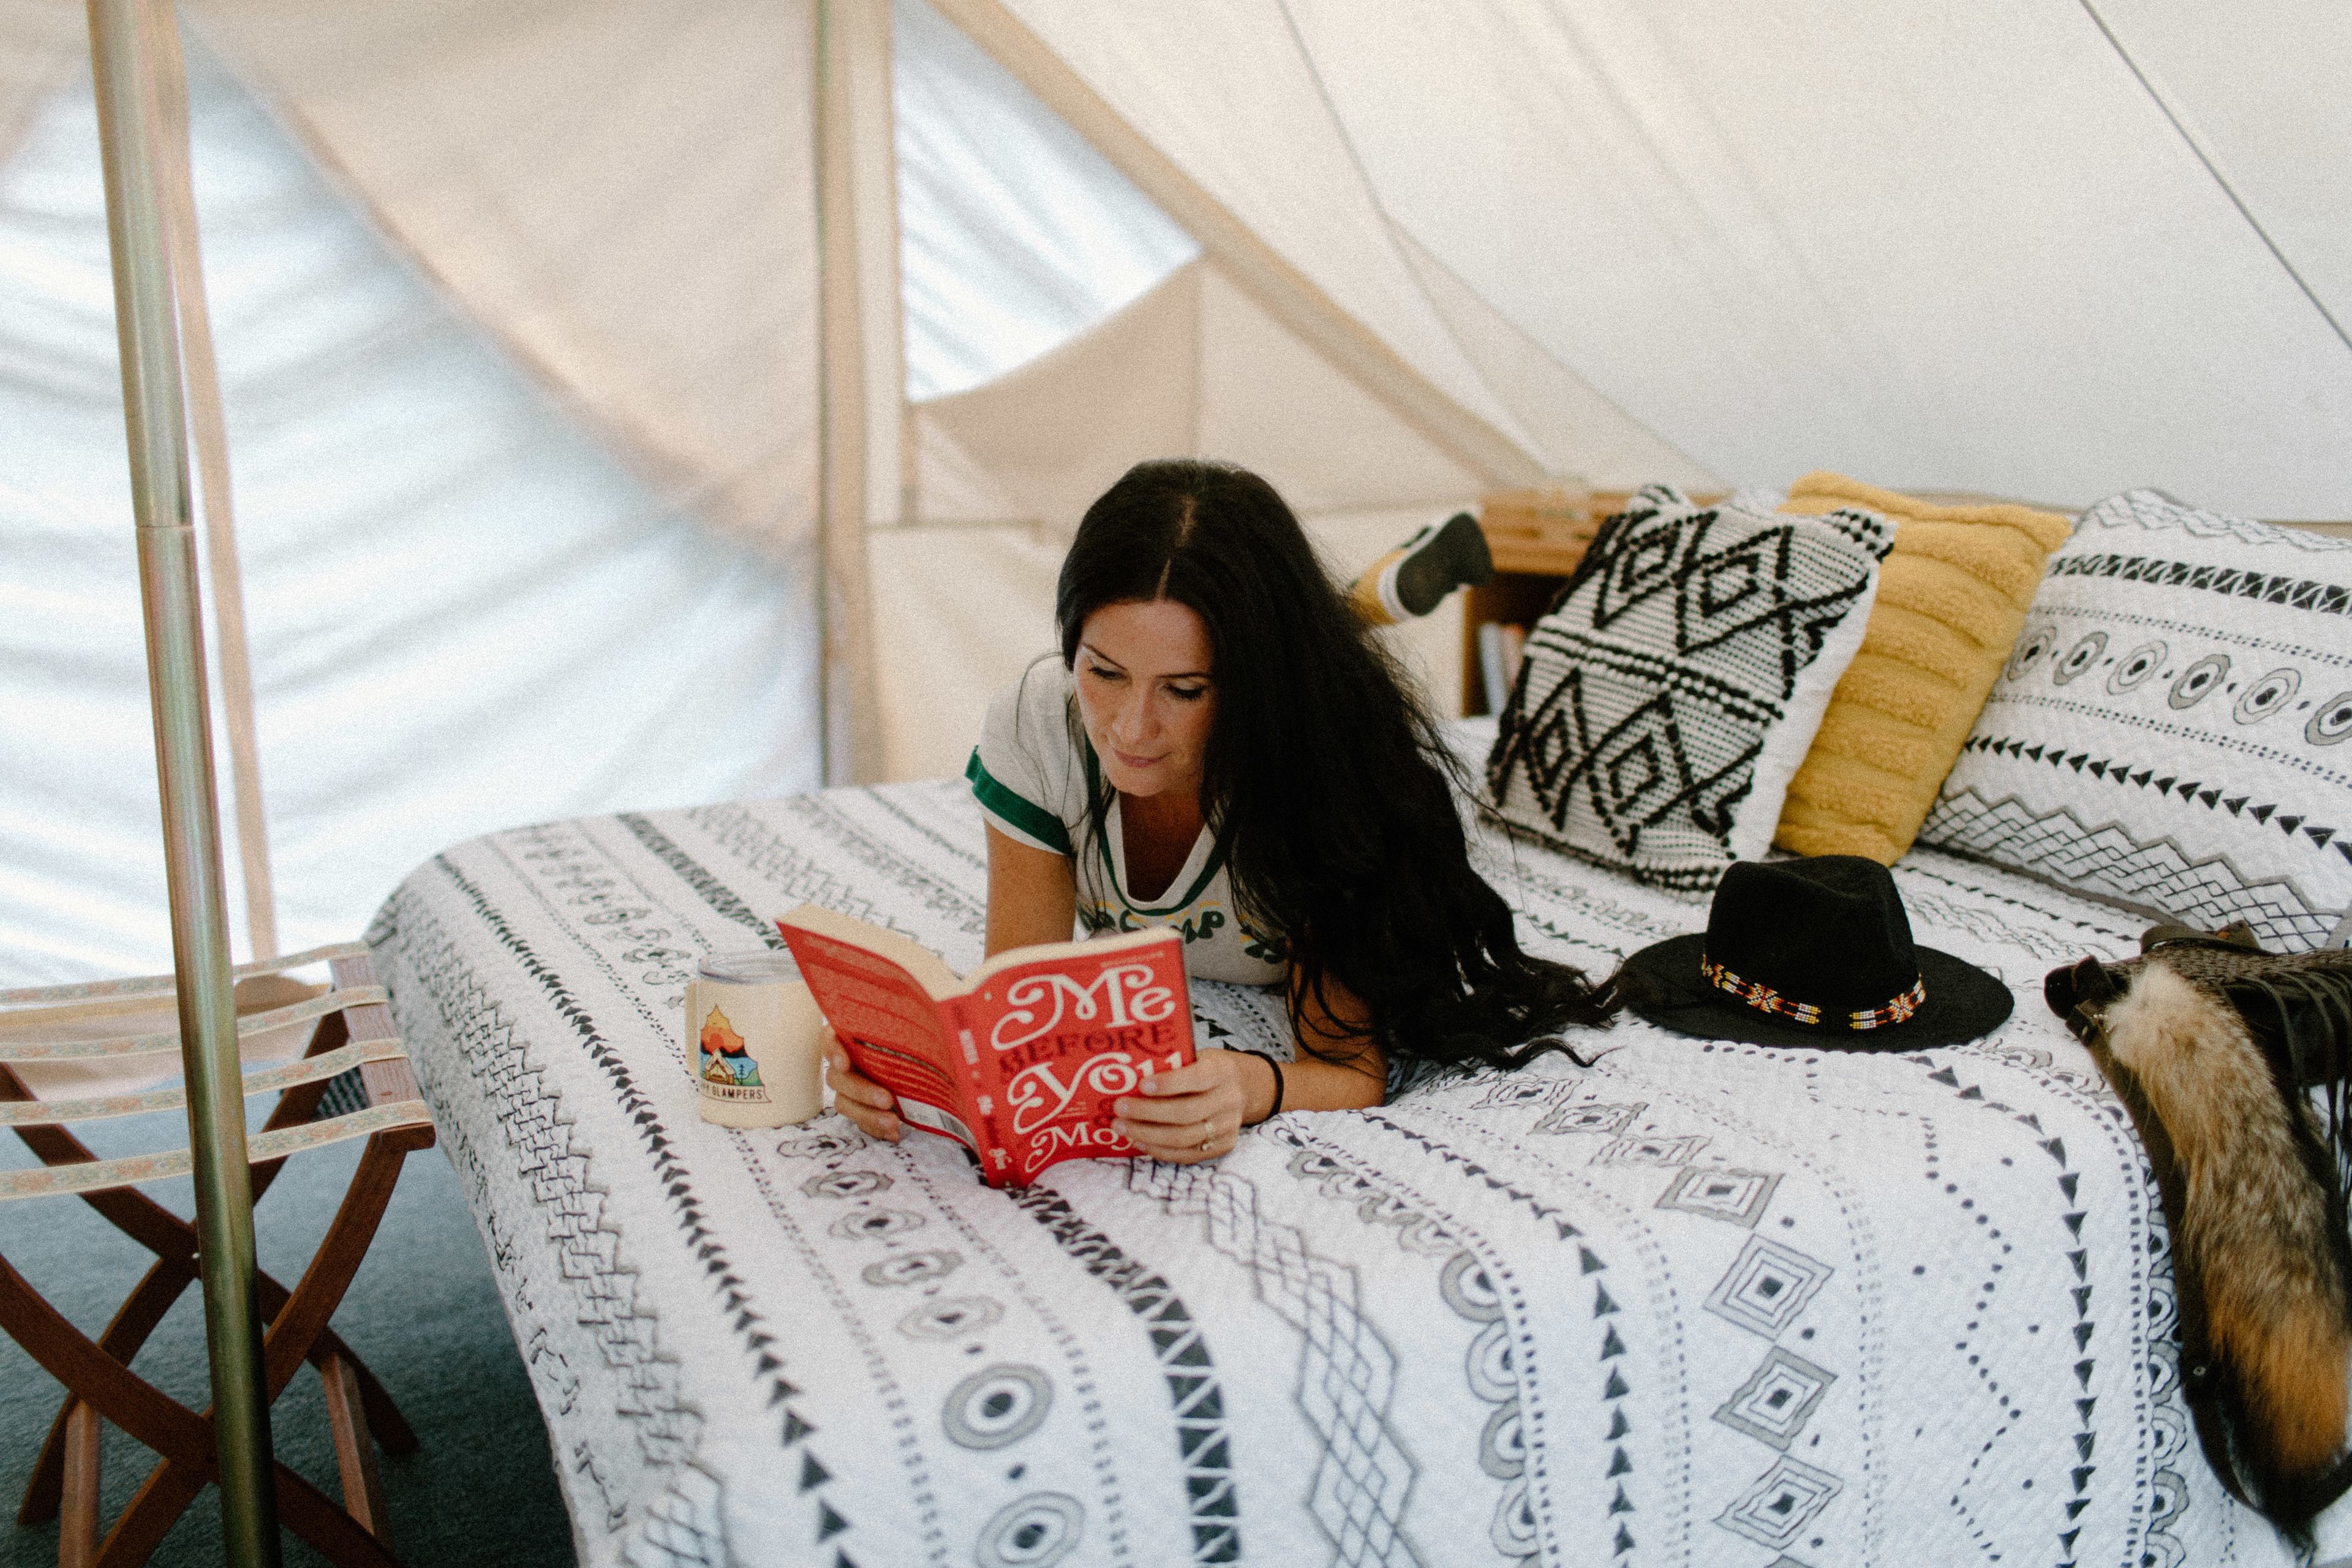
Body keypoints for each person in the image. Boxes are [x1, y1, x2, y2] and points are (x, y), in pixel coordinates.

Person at [826, 459, 1612, 1163]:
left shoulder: (1319, 767)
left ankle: (1352, 611)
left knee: (1318, 659)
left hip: (1310, 729)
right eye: (1103, 672)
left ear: (1244, 690)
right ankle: (1355, 604)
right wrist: (909, 1076)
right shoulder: (1042, 723)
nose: (1131, 731)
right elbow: (1012, 1009)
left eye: (1185, 690)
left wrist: (1250, 1084)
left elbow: (1348, 1072)